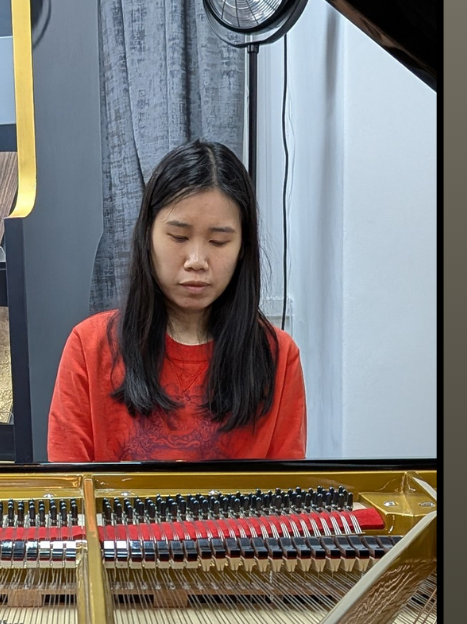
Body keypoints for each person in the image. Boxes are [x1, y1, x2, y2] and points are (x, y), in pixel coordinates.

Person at [48, 140, 305, 462]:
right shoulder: (89, 346)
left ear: (243, 248)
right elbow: (69, 492)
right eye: (179, 237)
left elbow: (286, 499)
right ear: (147, 236)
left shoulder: (278, 356)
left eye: (218, 241)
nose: (197, 260)